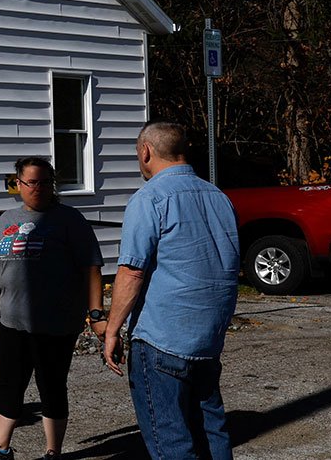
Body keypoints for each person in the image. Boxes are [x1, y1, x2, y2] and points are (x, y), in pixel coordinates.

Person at [103, 122, 240, 460]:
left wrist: (112, 329)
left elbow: (132, 271)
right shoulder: (220, 198)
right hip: (208, 339)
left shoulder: (149, 199)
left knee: (171, 441)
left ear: (145, 152)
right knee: (212, 432)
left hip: (162, 338)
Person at [0, 157, 105, 460]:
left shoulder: (70, 220)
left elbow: (91, 267)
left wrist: (95, 314)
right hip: (12, 320)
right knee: (10, 385)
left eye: (44, 182)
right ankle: (0, 449)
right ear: (18, 184)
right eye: (30, 182)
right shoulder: (5, 220)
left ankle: (52, 452)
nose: (37, 188)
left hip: (55, 323)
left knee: (51, 386)